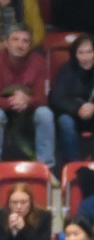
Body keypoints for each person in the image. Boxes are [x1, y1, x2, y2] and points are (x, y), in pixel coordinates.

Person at [0, 25, 54, 170]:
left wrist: (27, 100)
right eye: (15, 40)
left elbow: (42, 98)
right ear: (6, 42)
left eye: (25, 41)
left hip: (29, 110)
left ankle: (46, 168)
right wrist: (14, 102)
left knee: (45, 114)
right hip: (2, 108)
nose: (20, 45)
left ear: (30, 45)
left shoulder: (39, 62)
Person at [50, 33, 94, 165]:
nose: (85, 57)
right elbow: (56, 98)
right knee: (65, 121)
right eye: (81, 53)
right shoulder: (67, 69)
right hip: (73, 115)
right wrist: (77, 109)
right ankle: (73, 166)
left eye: (89, 52)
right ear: (75, 54)